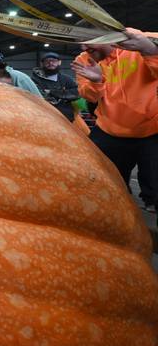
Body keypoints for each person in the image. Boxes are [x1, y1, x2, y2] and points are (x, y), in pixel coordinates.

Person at [71, 28, 158, 213]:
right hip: (109, 130)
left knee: (154, 183)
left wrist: (151, 51)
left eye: (88, 40)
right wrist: (96, 80)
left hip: (151, 130)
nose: (84, 47)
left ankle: (151, 201)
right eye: (80, 43)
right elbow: (89, 96)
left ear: (108, 36)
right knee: (107, 183)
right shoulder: (83, 60)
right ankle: (119, 213)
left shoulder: (142, 43)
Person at [30, 52, 78, 122]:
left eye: (54, 61)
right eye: (47, 61)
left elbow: (77, 93)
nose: (51, 63)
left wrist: (52, 92)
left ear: (59, 62)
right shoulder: (34, 79)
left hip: (64, 117)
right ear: (42, 64)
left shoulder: (67, 79)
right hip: (42, 116)